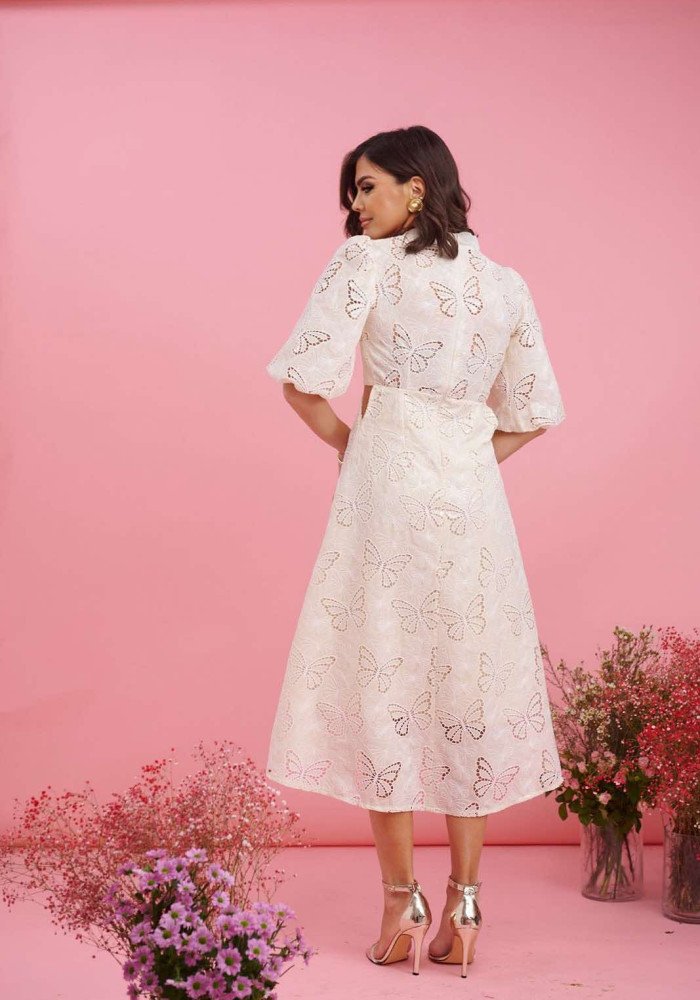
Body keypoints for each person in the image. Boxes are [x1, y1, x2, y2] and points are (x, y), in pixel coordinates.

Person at [264, 125, 566, 977]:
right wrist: (467, 462)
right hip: (474, 508)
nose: (355, 206)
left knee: (385, 680)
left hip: (387, 498)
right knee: (467, 685)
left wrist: (351, 446)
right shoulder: (505, 284)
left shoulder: (366, 265)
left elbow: (302, 381)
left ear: (416, 188)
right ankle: (467, 903)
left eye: (366, 187)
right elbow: (534, 411)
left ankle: (403, 902)